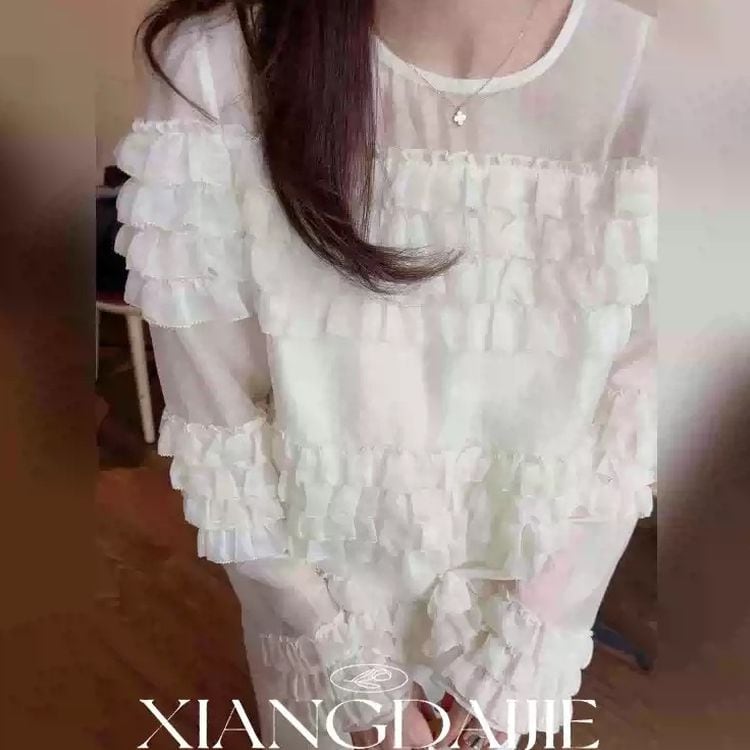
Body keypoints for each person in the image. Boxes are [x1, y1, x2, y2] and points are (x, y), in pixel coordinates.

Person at [114, 0, 656, 747]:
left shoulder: (651, 75)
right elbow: (220, 431)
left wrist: (509, 666)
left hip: (523, 650)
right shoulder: (218, 66)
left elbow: (634, 413)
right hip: (318, 646)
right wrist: (355, 677)